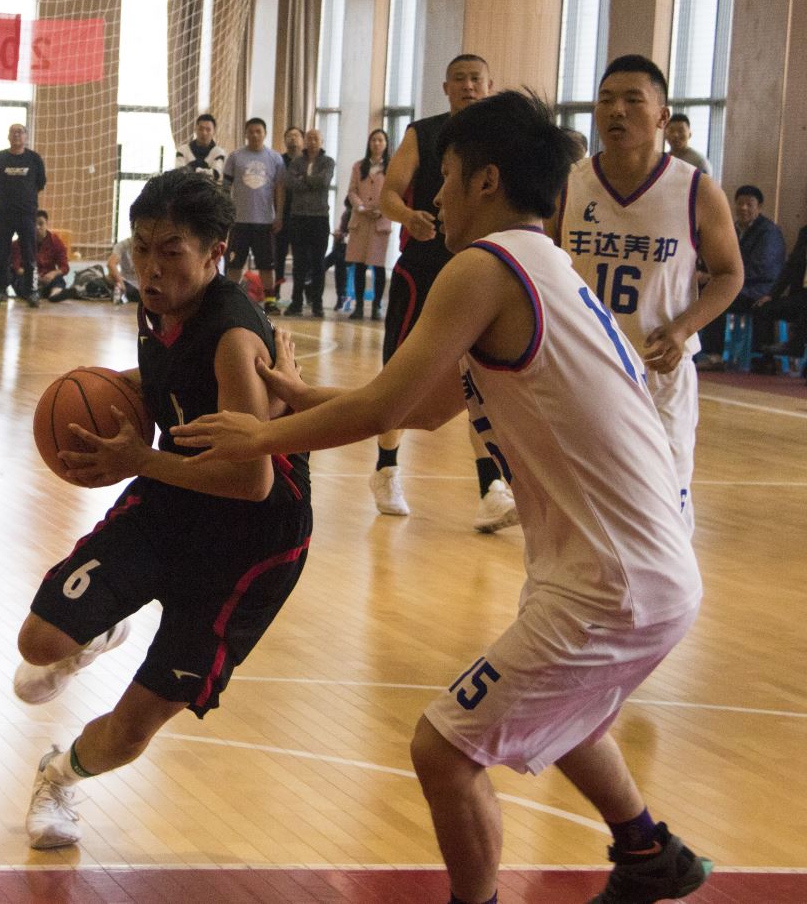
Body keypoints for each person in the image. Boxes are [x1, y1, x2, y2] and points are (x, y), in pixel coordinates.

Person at [174, 91, 712, 904]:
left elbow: (386, 409)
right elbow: (424, 408)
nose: (438, 196)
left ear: (487, 180)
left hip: (615, 582)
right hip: (638, 569)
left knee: (443, 749)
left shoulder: (484, 268)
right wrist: (300, 393)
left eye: (449, 176)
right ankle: (647, 851)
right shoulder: (543, 267)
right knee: (566, 712)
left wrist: (259, 436)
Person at [12, 168, 311, 851]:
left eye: (170, 251)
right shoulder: (161, 304)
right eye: (141, 247)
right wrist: (106, 389)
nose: (150, 267)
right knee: (40, 642)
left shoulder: (233, 336)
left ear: (214, 253)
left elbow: (252, 479)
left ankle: (58, 774)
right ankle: (102, 627)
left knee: (129, 731)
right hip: (177, 495)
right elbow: (173, 379)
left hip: (250, 542)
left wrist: (139, 460)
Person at [556, 54, 741, 527]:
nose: (616, 110)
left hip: (659, 370)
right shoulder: (568, 185)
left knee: (664, 510)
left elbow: (729, 274)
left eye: (632, 100)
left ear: (662, 116)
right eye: (605, 100)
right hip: (584, 369)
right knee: (586, 512)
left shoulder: (697, 190)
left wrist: (682, 328)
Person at [373, 54, 515, 531]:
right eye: (460, 79)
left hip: (482, 267)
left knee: (483, 376)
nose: (468, 86)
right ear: (446, 87)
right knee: (401, 372)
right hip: (423, 267)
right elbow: (389, 193)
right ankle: (386, 468)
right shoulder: (423, 133)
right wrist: (407, 216)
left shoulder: (502, 140)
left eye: (476, 79)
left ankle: (491, 488)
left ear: (490, 85)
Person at [694, 185, 785, 367]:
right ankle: (692, 349)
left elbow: (760, 268)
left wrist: (715, 278)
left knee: (717, 296)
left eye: (749, 204)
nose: (743, 208)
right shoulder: (732, 229)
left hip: (759, 288)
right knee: (697, 292)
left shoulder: (769, 232)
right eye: (740, 203)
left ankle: (714, 355)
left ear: (759, 207)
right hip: (736, 284)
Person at [222, 118, 285, 317]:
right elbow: (225, 188)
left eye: (258, 131)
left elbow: (279, 189)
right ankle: (229, 300)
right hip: (239, 221)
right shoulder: (235, 157)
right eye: (251, 131)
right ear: (246, 133)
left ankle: (270, 301)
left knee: (267, 265)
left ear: (265, 133)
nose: (255, 135)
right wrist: (225, 213)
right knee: (234, 264)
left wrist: (279, 215)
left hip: (265, 222)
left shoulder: (275, 158)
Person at [0, 123, 46, 307]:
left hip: (26, 214)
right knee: (2, 254)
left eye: (20, 132)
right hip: (4, 214)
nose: (17, 135)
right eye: (13, 132)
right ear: (8, 136)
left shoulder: (34, 159)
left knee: (29, 254)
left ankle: (32, 292)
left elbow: (40, 182)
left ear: (26, 136)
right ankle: (0, 291)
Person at [284, 128, 335, 317]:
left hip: (319, 217)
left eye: (316, 138)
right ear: (305, 141)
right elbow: (291, 183)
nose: (312, 141)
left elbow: (324, 181)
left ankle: (317, 304)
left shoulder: (328, 162)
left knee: (318, 262)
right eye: (309, 138)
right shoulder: (296, 161)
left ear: (321, 141)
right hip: (298, 217)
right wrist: (310, 181)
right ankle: (296, 302)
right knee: (299, 262)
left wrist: (304, 178)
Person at [346, 129, 392, 321]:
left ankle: (376, 306)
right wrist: (361, 207)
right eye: (373, 140)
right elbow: (352, 191)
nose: (377, 143)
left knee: (378, 266)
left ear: (386, 144)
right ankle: (358, 306)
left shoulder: (391, 167)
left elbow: (394, 192)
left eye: (380, 140)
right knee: (359, 265)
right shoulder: (359, 166)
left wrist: (383, 209)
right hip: (361, 220)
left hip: (380, 221)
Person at [752, 220, 807, 361]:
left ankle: (796, 345)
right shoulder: (805, 232)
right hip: (799, 296)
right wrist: (772, 294)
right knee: (763, 307)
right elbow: (790, 267)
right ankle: (765, 357)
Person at [269, 125, 304, 305]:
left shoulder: (307, 161)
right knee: (279, 257)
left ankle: (298, 298)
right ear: (284, 140)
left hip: (303, 216)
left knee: (301, 258)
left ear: (302, 140)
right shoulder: (279, 160)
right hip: (281, 214)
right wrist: (278, 215)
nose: (292, 139)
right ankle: (275, 294)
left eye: (296, 136)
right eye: (289, 136)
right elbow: (276, 187)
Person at [12, 209, 72, 303]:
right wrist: (34, 276)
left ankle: (55, 294)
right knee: (21, 281)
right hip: (28, 277)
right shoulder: (19, 243)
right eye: (34, 224)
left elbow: (64, 267)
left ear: (47, 224)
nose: (37, 227)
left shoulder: (55, 241)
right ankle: (33, 294)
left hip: (47, 278)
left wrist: (53, 274)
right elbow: (16, 268)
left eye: (41, 224)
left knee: (58, 280)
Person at [173, 112, 228, 183]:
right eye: (200, 129)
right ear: (195, 129)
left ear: (214, 131)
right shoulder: (182, 150)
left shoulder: (218, 152)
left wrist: (191, 170)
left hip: (209, 189)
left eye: (208, 130)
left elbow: (216, 174)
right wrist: (206, 172)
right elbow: (179, 173)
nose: (204, 133)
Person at [106, 236, 139, 305]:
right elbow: (111, 264)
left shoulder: (150, 245)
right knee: (109, 276)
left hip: (143, 285)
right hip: (127, 283)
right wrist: (121, 284)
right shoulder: (122, 245)